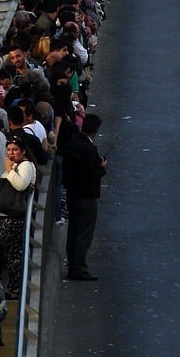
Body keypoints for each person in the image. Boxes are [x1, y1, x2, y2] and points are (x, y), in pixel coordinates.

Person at [63, 114, 107, 281]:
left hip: (73, 194)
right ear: (95, 131)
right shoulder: (89, 149)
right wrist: (101, 167)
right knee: (83, 233)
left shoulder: (73, 143)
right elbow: (92, 174)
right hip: (86, 196)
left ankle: (73, 264)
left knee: (73, 231)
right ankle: (79, 267)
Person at [0, 134, 37, 298]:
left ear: (23, 151)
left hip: (13, 218)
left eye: (15, 150)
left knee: (13, 254)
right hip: (5, 216)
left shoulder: (25, 165)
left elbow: (20, 185)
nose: (11, 153)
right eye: (8, 150)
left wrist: (9, 169)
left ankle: (14, 289)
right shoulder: (15, 166)